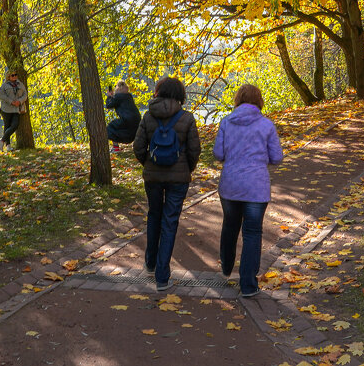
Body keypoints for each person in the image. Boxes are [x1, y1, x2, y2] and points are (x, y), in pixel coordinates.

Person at [214, 84, 284, 298]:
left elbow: (218, 153)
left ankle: (226, 265)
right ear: (259, 101)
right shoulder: (266, 125)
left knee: (230, 225)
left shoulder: (226, 122)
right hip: (256, 187)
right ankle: (248, 285)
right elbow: (277, 157)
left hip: (230, 185)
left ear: (238, 100)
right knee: (252, 233)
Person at [134, 76, 201, 291]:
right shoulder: (187, 118)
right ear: (180, 94)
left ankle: (150, 263)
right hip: (178, 179)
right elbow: (194, 150)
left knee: (154, 215)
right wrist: (186, 169)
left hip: (153, 177)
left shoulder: (147, 117)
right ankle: (163, 277)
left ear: (158, 92)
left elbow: (138, 147)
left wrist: (148, 163)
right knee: (169, 221)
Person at [106, 80, 141, 151]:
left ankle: (115, 147)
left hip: (126, 119)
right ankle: (137, 146)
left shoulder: (118, 96)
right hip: (137, 119)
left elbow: (108, 105)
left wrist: (109, 96)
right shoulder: (129, 96)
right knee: (133, 132)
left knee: (110, 127)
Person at [0, 68, 27, 151]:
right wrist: (11, 102)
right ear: (8, 77)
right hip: (6, 109)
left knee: (15, 125)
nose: (14, 77)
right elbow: (2, 96)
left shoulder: (20, 84)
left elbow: (25, 94)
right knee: (7, 126)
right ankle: (8, 146)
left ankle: (2, 140)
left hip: (16, 109)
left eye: (15, 75)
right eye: (12, 75)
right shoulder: (4, 86)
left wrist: (20, 101)